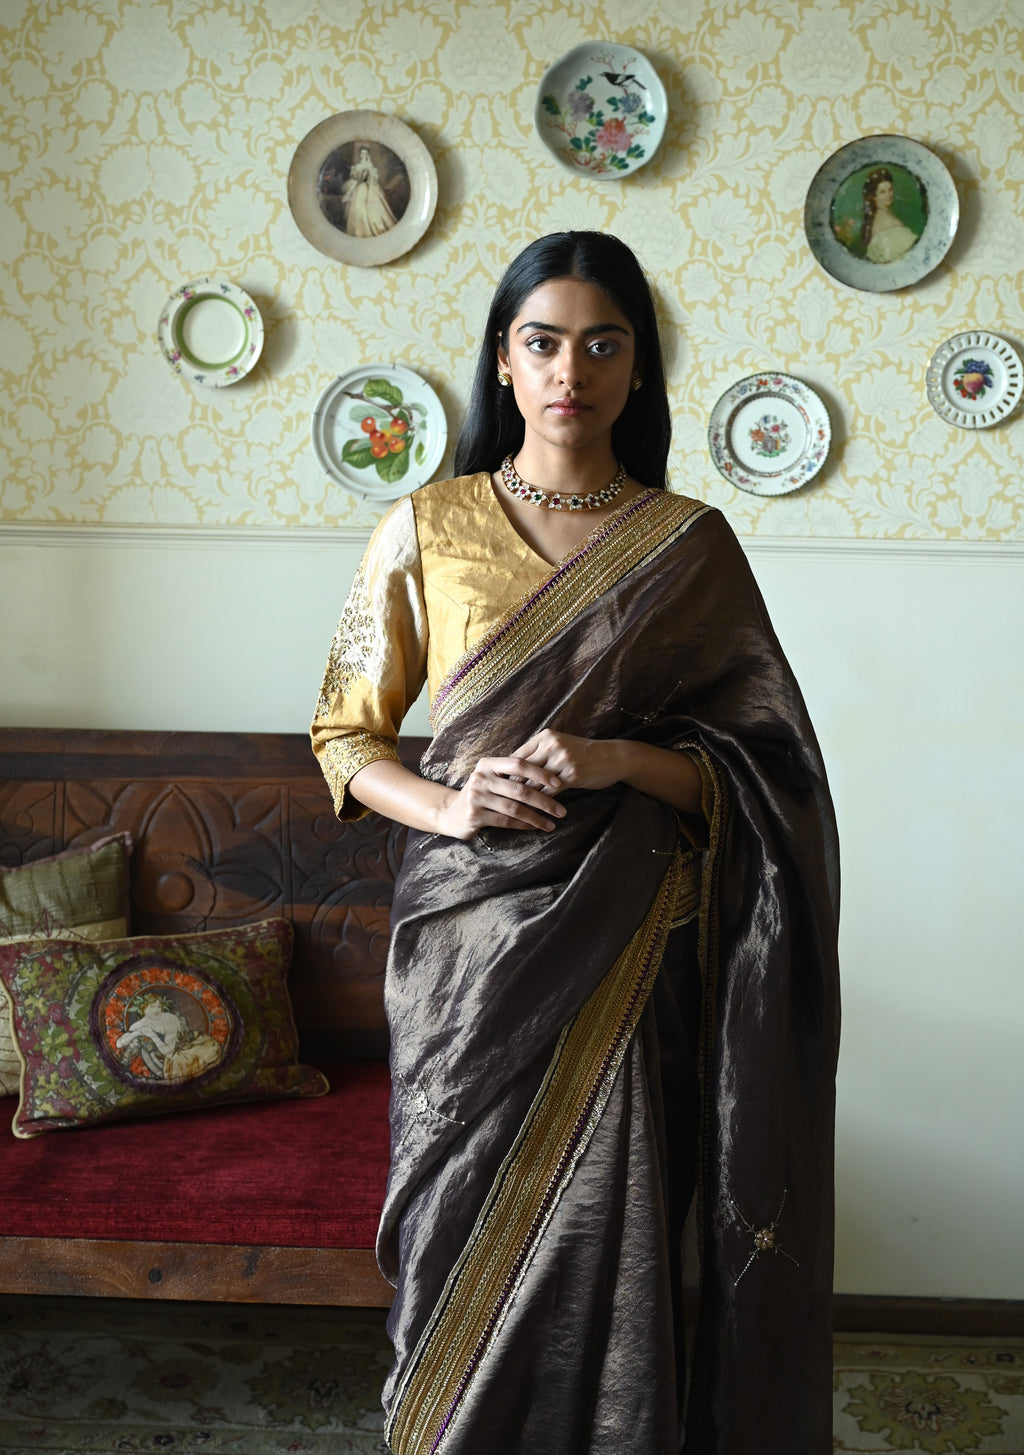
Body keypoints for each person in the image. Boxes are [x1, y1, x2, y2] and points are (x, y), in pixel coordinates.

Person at [311, 231, 840, 1454]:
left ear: (640, 370)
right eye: (542, 343)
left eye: (604, 345)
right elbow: (345, 732)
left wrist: (611, 759)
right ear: (502, 362)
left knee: (615, 1225)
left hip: (630, 939)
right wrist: (448, 805)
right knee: (453, 1234)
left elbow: (764, 776)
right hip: (464, 950)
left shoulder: (687, 543)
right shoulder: (427, 524)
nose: (572, 371)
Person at [860, 166, 918, 264]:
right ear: (874, 196)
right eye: (882, 192)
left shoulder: (883, 214)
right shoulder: (884, 220)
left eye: (890, 189)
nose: (888, 195)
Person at [340, 144, 398, 237]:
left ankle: (370, 229)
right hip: (359, 188)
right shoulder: (357, 166)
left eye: (365, 154)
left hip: (369, 188)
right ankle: (358, 231)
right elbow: (354, 177)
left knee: (372, 207)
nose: (363, 156)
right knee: (358, 207)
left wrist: (369, 176)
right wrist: (357, 177)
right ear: (360, 155)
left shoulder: (370, 165)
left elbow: (374, 179)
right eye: (362, 154)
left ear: (367, 155)